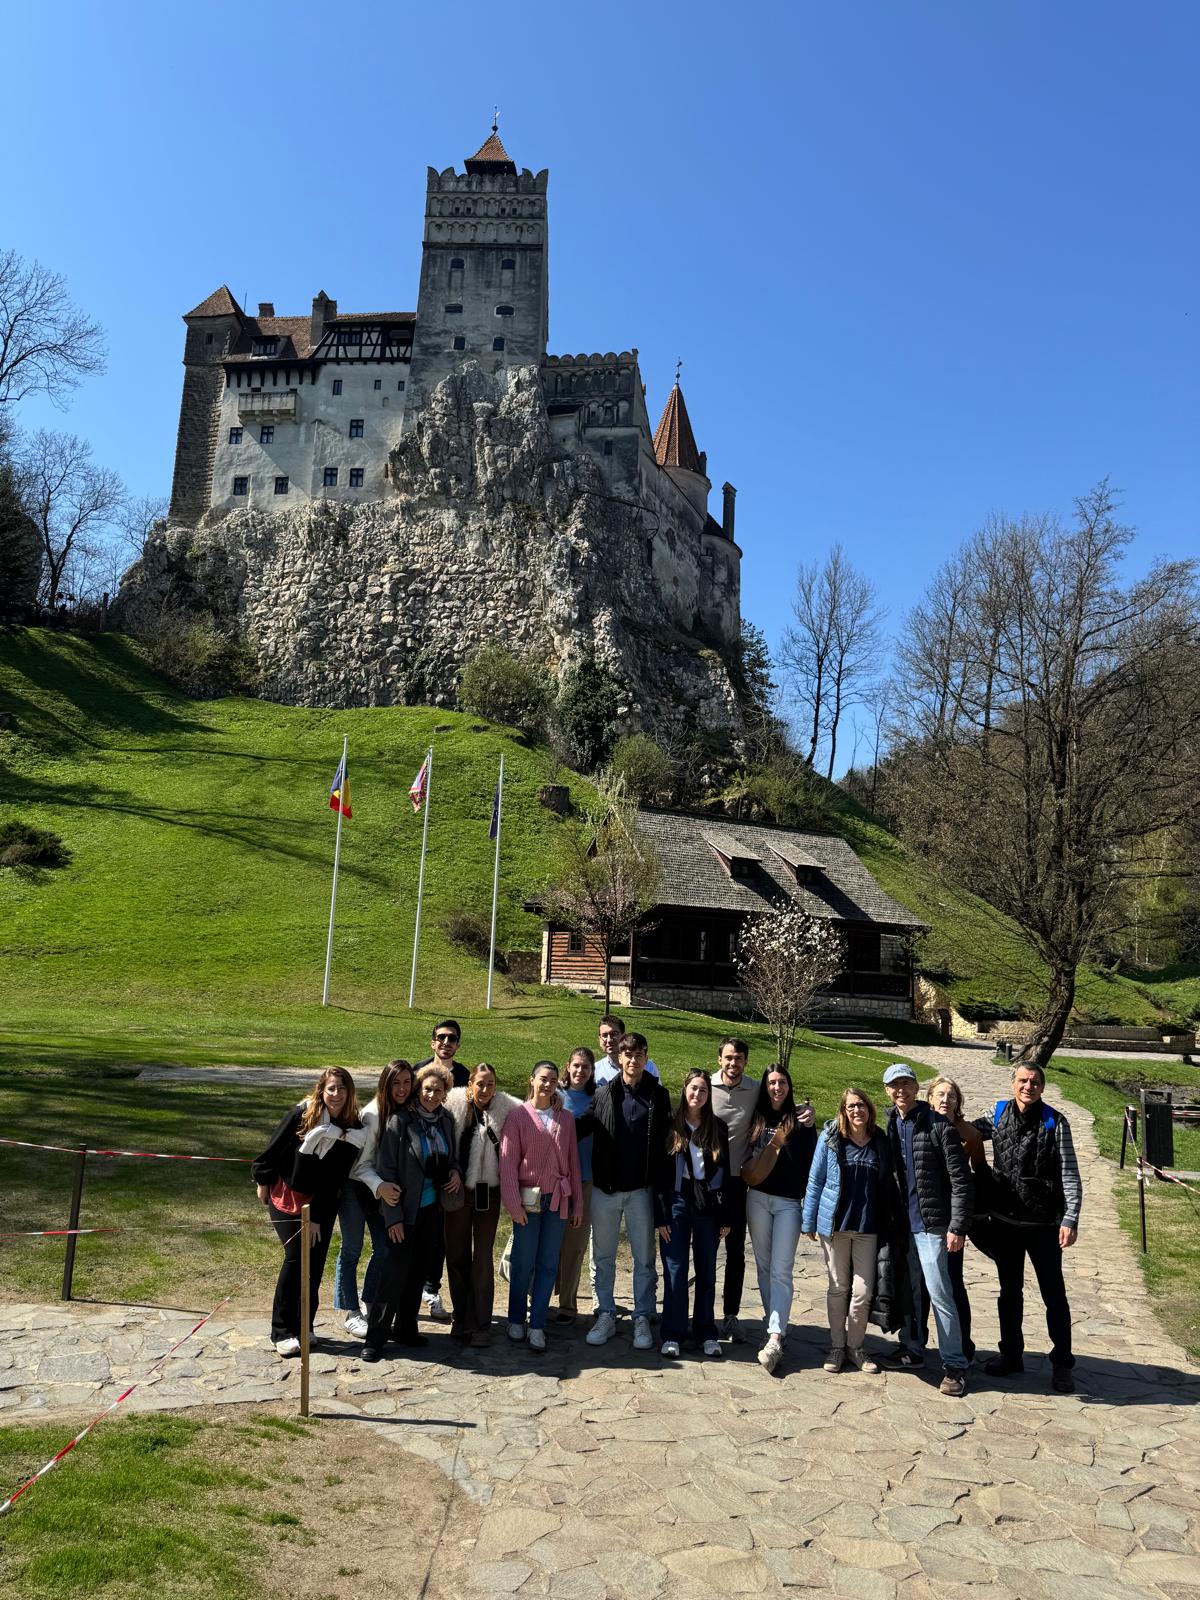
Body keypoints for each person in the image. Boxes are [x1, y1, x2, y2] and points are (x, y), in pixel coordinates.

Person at [973, 1063, 1082, 1393]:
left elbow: (1070, 1173)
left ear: (1042, 1087)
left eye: (1034, 1082)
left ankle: (1062, 1363)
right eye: (1022, 1080)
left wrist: (1070, 1218)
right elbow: (968, 1132)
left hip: (1043, 1224)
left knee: (1054, 1295)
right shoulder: (997, 1114)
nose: (1028, 1086)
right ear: (1013, 1084)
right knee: (1009, 1293)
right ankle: (1011, 1354)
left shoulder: (1055, 1122)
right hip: (1005, 1222)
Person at [253, 1068, 366, 1356]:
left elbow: (335, 1179)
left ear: (349, 1092)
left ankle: (305, 1325)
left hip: (321, 1202)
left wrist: (316, 1216)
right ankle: (281, 1331)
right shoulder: (302, 1115)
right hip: (287, 1194)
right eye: (331, 1088)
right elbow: (272, 1151)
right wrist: (263, 1180)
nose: (336, 1094)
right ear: (321, 1090)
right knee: (295, 1258)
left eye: (342, 1088)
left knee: (314, 1264)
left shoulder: (352, 1128)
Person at [711, 1036, 814, 1342]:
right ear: (720, 1059)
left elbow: (785, 1111)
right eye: (729, 1057)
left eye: (739, 1058)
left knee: (746, 1258)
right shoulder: (709, 1088)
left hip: (752, 1187)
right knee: (716, 1254)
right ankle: (707, 1319)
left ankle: (751, 1323)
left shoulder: (758, 1092)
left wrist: (806, 1113)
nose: (733, 1063)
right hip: (718, 1183)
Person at [881, 1062, 972, 1397]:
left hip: (934, 1226)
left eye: (906, 1084)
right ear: (887, 1091)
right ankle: (913, 1348)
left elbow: (961, 1181)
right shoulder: (892, 1122)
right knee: (912, 1292)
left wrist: (957, 1226)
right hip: (905, 1225)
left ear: (917, 1088)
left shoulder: (938, 1125)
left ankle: (954, 1365)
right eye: (894, 1085)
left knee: (940, 1294)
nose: (901, 1090)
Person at [361, 1063, 462, 1361]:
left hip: (432, 1209)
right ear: (419, 1090)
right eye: (427, 1089)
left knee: (418, 1272)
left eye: (438, 1090)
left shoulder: (446, 1120)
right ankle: (375, 1338)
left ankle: (406, 1328)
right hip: (403, 1211)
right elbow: (386, 1170)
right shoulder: (401, 1121)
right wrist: (392, 1217)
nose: (432, 1094)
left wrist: (455, 1172)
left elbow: (453, 1157)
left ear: (445, 1093)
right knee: (393, 1275)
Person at [587, 1032, 673, 1351]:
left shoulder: (658, 1095)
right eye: (628, 1054)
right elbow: (580, 1125)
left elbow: (667, 1145)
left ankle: (642, 1316)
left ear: (646, 1057)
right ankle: (606, 1313)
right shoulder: (603, 1094)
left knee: (644, 1259)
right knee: (603, 1256)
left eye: (639, 1054)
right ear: (619, 1058)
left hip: (641, 1191)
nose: (633, 1060)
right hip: (606, 1190)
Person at [803, 1085, 892, 1375]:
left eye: (861, 1105)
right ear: (843, 1110)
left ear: (869, 1109)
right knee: (838, 1288)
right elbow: (815, 1180)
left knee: (863, 1292)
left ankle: (856, 1346)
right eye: (851, 1106)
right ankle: (837, 1346)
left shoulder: (879, 1139)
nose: (856, 1110)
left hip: (868, 1227)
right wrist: (809, 1220)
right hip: (836, 1226)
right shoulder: (830, 1138)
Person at [499, 1061, 582, 1350]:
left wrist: (577, 1205)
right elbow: (507, 1164)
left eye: (553, 1080)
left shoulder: (566, 1118)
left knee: (548, 1264)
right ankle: (515, 1319)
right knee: (523, 1262)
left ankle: (537, 1324)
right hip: (528, 1202)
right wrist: (513, 1205)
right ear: (532, 1080)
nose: (547, 1085)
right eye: (543, 1079)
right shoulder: (518, 1117)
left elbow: (573, 1163)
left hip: (558, 1200)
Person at [741, 1065, 817, 1373]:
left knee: (782, 1269)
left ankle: (774, 1337)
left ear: (789, 1085)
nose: (777, 1088)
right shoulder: (756, 1117)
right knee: (763, 1266)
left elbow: (811, 1163)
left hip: (788, 1203)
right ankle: (774, 1321)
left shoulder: (801, 1120)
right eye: (772, 1082)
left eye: (782, 1082)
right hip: (757, 1198)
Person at [334, 1060, 413, 1339]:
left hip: (383, 1191)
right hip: (356, 1189)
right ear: (385, 1084)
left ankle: (370, 1301)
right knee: (352, 1248)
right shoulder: (372, 1115)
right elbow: (359, 1166)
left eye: (407, 1082)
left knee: (383, 1249)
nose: (402, 1089)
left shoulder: (408, 1112)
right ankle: (350, 1311)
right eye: (396, 1083)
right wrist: (380, 1186)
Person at [445, 1063, 520, 1347]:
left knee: (483, 1257)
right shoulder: (453, 1105)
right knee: (457, 1254)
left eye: (490, 1084)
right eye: (480, 1084)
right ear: (470, 1085)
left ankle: (481, 1323)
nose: (485, 1089)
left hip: (489, 1192)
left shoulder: (507, 1108)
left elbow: (537, 1109)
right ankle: (461, 1317)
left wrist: (558, 1099)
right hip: (458, 1191)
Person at [656, 1070, 729, 1359]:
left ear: (709, 1095)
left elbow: (725, 1173)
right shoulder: (670, 1124)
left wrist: (726, 1217)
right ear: (685, 1089)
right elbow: (660, 1174)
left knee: (707, 1270)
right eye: (693, 1088)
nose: (697, 1094)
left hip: (707, 1204)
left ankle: (706, 1332)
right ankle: (672, 1333)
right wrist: (661, 1216)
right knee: (675, 1269)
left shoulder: (717, 1127)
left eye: (703, 1090)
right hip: (676, 1201)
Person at [925, 1076, 984, 1362]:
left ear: (958, 1102)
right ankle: (916, 1343)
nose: (945, 1100)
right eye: (940, 1094)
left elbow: (979, 1172)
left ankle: (963, 1345)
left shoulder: (969, 1133)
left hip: (951, 1219)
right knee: (921, 1283)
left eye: (951, 1095)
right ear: (930, 1098)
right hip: (922, 1215)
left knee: (952, 1281)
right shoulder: (920, 1125)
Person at [414, 1019, 468, 1319]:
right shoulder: (417, 1070)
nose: (446, 1043)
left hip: (449, 1163)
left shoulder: (465, 1076)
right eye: (441, 1037)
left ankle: (431, 1289)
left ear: (458, 1044)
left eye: (452, 1038)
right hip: (417, 1164)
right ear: (432, 1042)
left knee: (441, 1235)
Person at [555, 1047, 596, 1323]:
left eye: (586, 1067)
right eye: (576, 1065)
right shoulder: (555, 1094)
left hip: (585, 1178)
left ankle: (567, 1305)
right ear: (568, 1066)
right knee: (547, 1242)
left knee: (575, 1244)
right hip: (554, 1179)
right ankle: (537, 1297)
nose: (580, 1071)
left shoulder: (598, 1098)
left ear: (592, 1071)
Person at [593, 1014, 661, 1085]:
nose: (609, 1040)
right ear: (599, 1039)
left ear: (624, 1036)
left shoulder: (649, 1067)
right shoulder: (595, 1070)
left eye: (614, 1034)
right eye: (604, 1035)